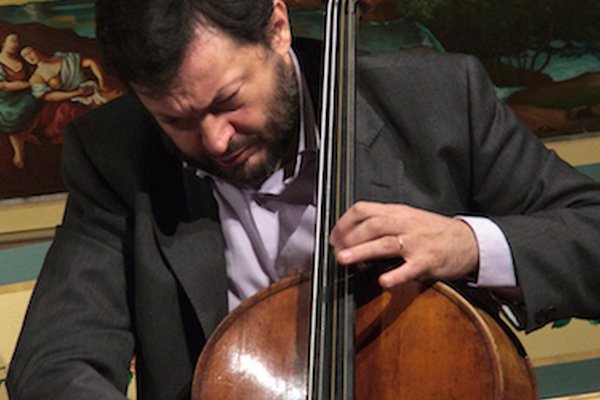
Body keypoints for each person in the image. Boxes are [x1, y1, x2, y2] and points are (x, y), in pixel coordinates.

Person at [7, 0, 600, 398]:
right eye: (175, 119)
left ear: (276, 27)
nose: (214, 139)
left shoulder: (440, 103)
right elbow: (54, 359)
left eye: (227, 100)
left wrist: (468, 243)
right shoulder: (113, 152)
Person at [0, 32, 40, 169]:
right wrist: (31, 84)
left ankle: (27, 133)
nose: (15, 45)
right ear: (3, 42)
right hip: (4, 99)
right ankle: (19, 152)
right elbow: (4, 85)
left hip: (24, 95)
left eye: (17, 42)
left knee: (38, 101)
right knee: (14, 114)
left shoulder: (22, 60)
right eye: (12, 41)